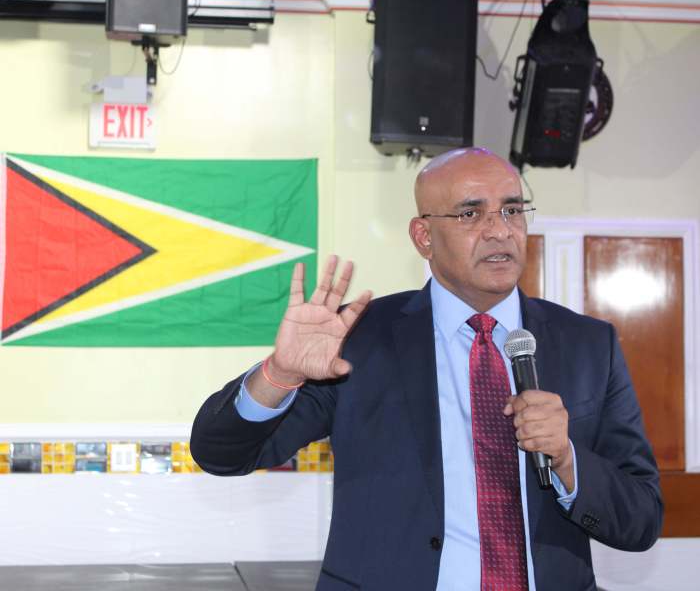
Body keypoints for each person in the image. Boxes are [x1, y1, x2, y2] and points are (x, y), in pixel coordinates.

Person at [191, 148, 662, 591]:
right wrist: (280, 374)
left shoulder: (588, 344)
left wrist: (567, 460)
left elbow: (641, 522)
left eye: (513, 210)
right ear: (423, 237)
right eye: (471, 213)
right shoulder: (358, 337)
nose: (499, 230)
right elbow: (221, 454)